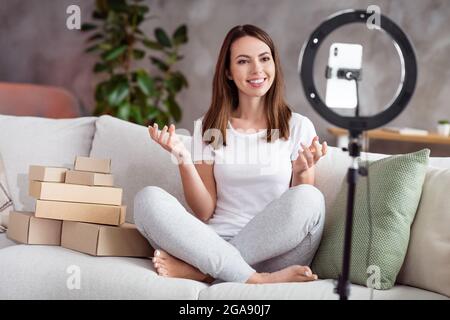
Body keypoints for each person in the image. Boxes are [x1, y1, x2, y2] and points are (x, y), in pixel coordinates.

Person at [134, 24, 328, 284]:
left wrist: (301, 172)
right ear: (228, 72)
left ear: (274, 64)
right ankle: (255, 279)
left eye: (264, 58)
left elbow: (298, 213)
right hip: (214, 242)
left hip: (276, 252)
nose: (257, 69)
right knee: (147, 199)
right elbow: (204, 212)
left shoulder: (298, 126)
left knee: (310, 197)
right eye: (243, 61)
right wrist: (183, 158)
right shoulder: (208, 127)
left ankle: (206, 272)